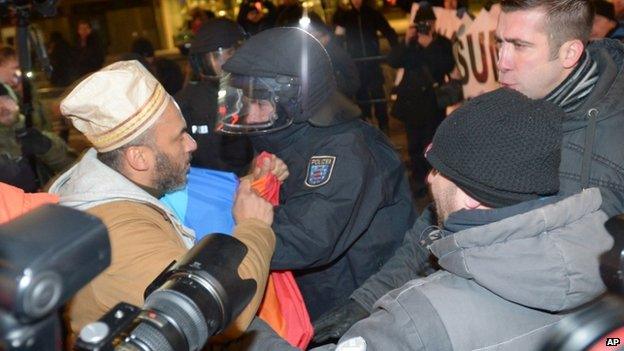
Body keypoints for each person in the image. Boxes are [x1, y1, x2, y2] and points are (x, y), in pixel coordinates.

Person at [312, 0, 624, 342]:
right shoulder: (507, 107)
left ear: (569, 53)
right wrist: (367, 299)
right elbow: (438, 221)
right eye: (500, 43)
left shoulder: (615, 130)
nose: (501, 63)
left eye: (519, 46)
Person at [228, 88, 614, 351]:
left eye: (438, 168)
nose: (428, 178)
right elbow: (419, 244)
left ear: (470, 195)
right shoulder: (606, 256)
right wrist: (364, 302)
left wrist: (236, 327)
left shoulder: (415, 319)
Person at [48, 60, 277, 340]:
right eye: (178, 137)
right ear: (139, 158)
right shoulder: (119, 237)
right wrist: (254, 225)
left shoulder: (117, 183)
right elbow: (226, 315)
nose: (191, 144)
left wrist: (251, 182)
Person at [218, 27, 416, 320]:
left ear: (294, 100)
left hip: (361, 313)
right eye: (246, 103)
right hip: (322, 305)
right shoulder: (284, 139)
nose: (248, 114)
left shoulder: (347, 150)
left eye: (259, 102)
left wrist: (234, 229)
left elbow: (306, 237)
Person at [388, 4, 455, 198]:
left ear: (434, 23)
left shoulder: (441, 43)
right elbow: (393, 60)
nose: (425, 26)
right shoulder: (412, 43)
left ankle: (434, 181)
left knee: (432, 144)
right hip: (411, 104)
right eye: (421, 23)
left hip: (432, 105)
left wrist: (430, 46)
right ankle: (418, 181)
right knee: (414, 145)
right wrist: (406, 42)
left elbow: (447, 65)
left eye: (428, 22)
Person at [175, 19, 254, 176]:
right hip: (207, 189)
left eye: (232, 53)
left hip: (252, 181)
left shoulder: (255, 93)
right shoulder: (185, 103)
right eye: (216, 56)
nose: (223, 62)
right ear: (202, 62)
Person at [333, 0, 398, 133]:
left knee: (377, 93)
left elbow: (387, 30)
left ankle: (383, 124)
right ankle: (366, 124)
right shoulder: (345, 16)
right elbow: (338, 37)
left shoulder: (372, 14)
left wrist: (396, 49)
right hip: (356, 64)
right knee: (362, 96)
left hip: (372, 62)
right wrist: (339, 57)